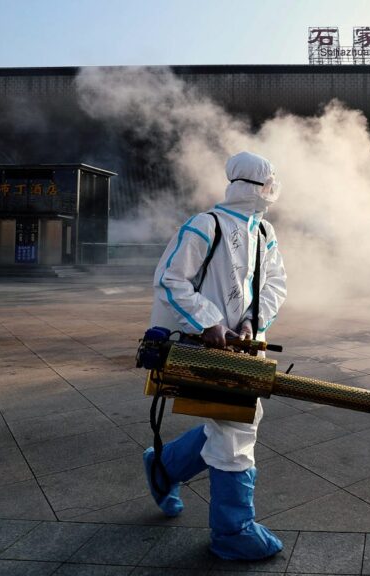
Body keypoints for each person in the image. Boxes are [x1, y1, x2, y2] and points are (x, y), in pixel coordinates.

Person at [144, 151, 287, 560]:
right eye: (269, 183)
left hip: (246, 348)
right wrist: (209, 322)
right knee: (235, 427)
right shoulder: (205, 225)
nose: (273, 190)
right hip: (205, 348)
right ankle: (232, 531)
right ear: (255, 186)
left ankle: (164, 466)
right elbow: (170, 280)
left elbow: (276, 283)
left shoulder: (264, 232)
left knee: (236, 418)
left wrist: (251, 323)